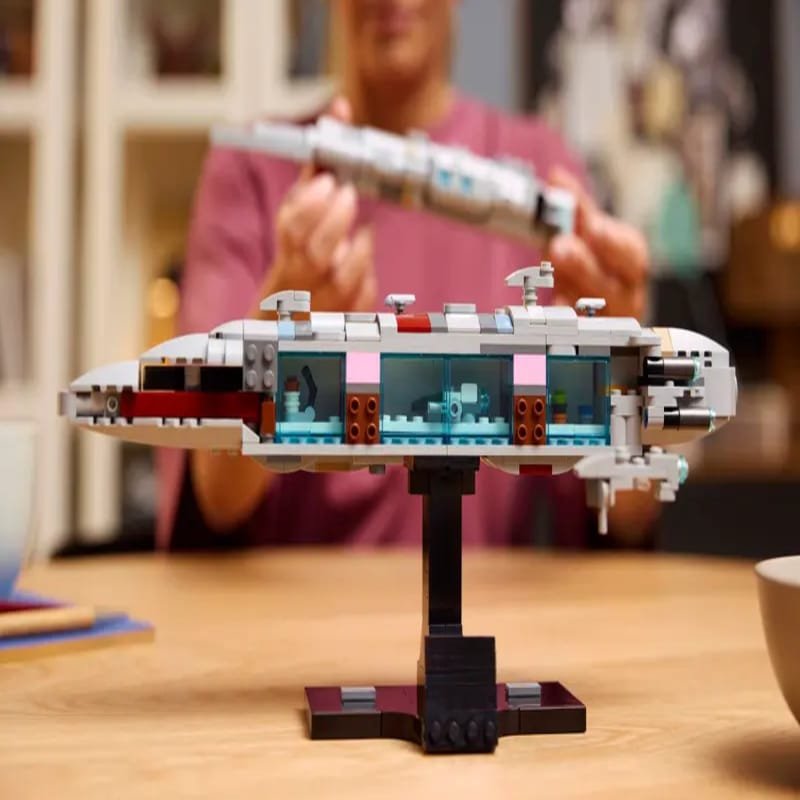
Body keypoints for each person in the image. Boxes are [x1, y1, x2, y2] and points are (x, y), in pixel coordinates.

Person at [157, 0, 653, 550]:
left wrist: (626, 379)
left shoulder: (541, 176)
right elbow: (215, 494)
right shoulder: (251, 174)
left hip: (487, 597)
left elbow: (622, 512)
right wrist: (278, 341)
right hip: (297, 600)